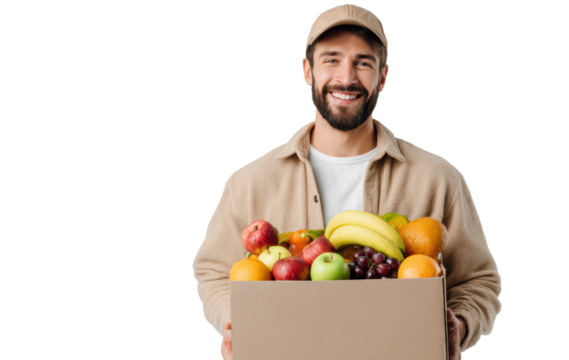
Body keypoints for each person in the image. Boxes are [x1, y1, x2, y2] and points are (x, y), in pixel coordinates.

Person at [193, 3, 501, 360]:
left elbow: (480, 282)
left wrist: (459, 325)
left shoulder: (437, 178)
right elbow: (212, 271)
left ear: (383, 76)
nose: (347, 77)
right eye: (331, 59)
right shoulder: (250, 182)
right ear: (307, 70)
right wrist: (239, 322)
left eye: (363, 62)